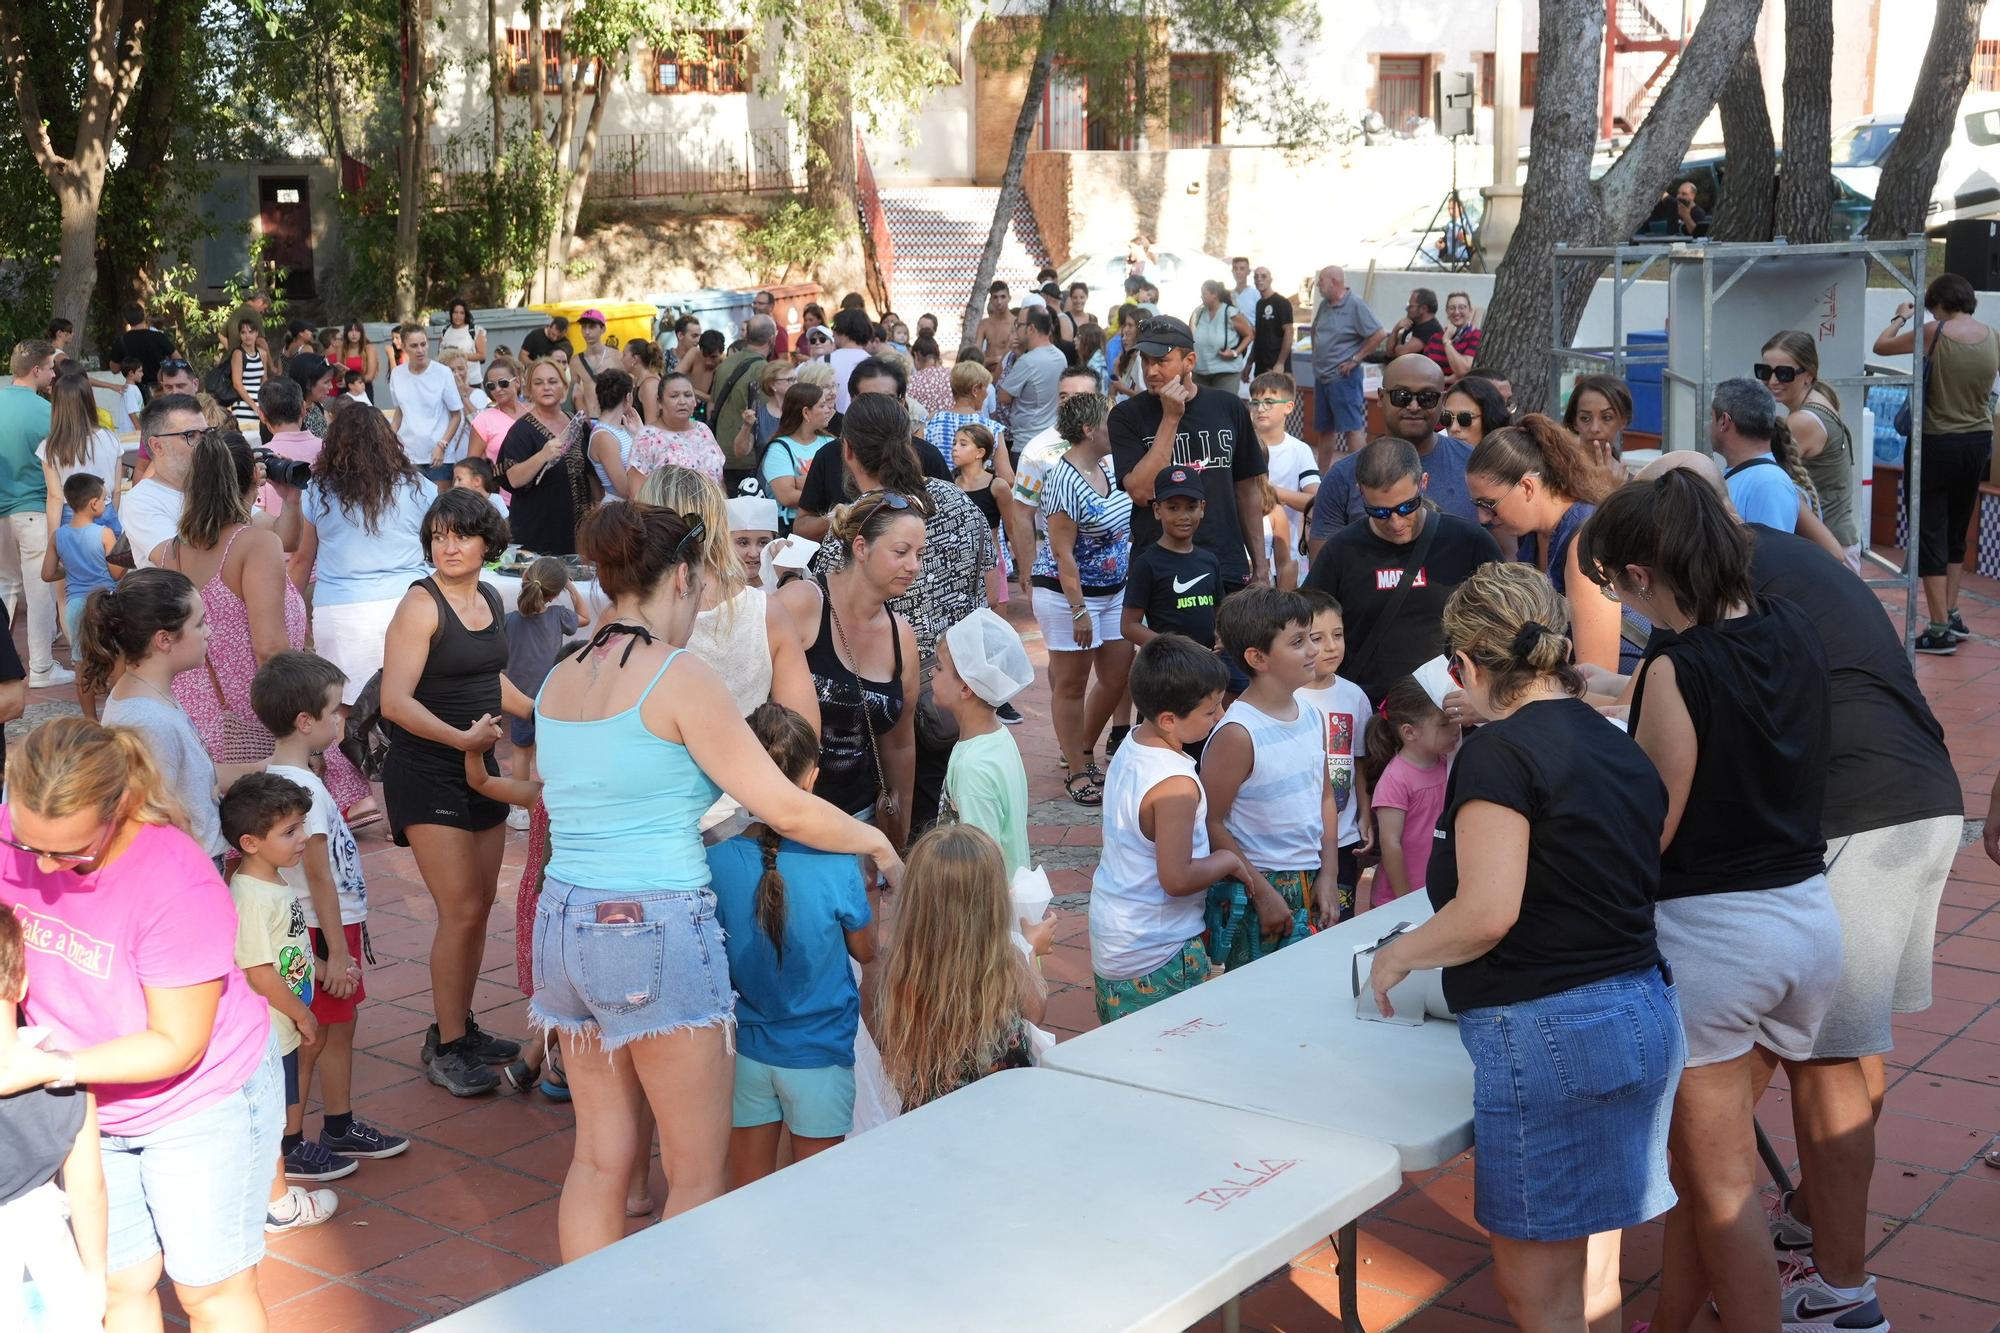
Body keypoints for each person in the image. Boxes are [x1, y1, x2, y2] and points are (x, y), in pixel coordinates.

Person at [1630, 452, 1960, 1331]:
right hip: (1893, 816)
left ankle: (1840, 1289)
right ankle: (1812, 1240)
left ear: (1647, 563)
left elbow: (1657, 811)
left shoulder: (1690, 639)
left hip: (1837, 835)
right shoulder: (1767, 585)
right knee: (1833, 1059)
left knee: (1744, 1142)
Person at [529, 502, 900, 1258]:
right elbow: (783, 804)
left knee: (599, 1156)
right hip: (653, 925)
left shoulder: (560, 675)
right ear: (683, 577)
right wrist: (876, 842)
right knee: (696, 1173)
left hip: (562, 922)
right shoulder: (679, 674)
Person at [1365, 562, 1680, 1333]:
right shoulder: (1612, 739)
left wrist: (1400, 953)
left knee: (1537, 1291)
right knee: (1595, 1267)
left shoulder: (1498, 754)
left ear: (1465, 664)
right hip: (1642, 1008)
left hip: (1552, 1031)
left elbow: (1486, 911)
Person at [1576, 470, 1842, 1333]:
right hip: (1807, 918)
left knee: (1724, 1191)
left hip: (1715, 941)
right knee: (1708, 1173)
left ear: (1643, 576)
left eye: (1613, 583)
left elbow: (1651, 827)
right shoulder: (1789, 624)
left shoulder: (1673, 667)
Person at [0, 716, 282, 1330]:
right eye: (28, 845)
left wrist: (48, 1067)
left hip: (198, 1101)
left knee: (211, 1291)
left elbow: (177, 1043)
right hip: (86, 1105)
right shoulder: (10, 837)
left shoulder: (175, 882)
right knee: (119, 1285)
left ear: (121, 806)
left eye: (70, 851)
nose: (43, 867)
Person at [379, 489, 527, 1097]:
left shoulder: (490, 596)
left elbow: (489, 677)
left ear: (487, 541)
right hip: (427, 770)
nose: (449, 546)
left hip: (477, 766)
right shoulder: (421, 604)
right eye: (439, 536)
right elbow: (395, 701)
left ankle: (461, 1028)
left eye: (461, 534)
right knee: (461, 908)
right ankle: (443, 1043)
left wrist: (543, 712)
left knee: (481, 903)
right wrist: (461, 739)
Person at [799, 396, 994, 830]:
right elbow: (989, 584)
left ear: (846, 450)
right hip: (959, 691)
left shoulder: (861, 525)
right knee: (946, 829)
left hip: (885, 703)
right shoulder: (957, 501)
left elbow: (834, 611)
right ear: (909, 441)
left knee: (895, 827)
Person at [706, 701, 877, 1187]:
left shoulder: (712, 861)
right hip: (819, 1050)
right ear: (812, 778)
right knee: (817, 1195)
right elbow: (865, 951)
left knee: (749, 1192)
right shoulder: (837, 860)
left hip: (745, 1049)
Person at [247, 653, 406, 1165]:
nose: (343, 719)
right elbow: (316, 874)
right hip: (322, 929)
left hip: (331, 925)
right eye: (336, 710)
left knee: (338, 1025)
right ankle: (290, 1141)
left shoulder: (293, 776)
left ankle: (337, 1123)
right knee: (310, 1035)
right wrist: (336, 952)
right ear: (305, 721)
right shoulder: (305, 787)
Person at [1090, 634, 1243, 1023]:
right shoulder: (1175, 785)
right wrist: (1226, 859)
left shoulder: (1135, 743)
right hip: (1158, 950)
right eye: (1210, 711)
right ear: (1170, 719)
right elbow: (1176, 878)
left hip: (1116, 934)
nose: (1221, 715)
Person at [217, 772, 345, 1229]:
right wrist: (303, 1014)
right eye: (290, 831)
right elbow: (258, 971)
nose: (303, 839)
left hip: (282, 1025)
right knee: (270, 1118)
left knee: (278, 1111)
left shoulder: (270, 881)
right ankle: (277, 1205)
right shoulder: (251, 895)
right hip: (269, 1029)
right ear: (250, 842)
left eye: (302, 826)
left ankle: (268, 1194)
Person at [1304, 437, 1504, 704]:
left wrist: (1486, 697)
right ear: (1360, 492)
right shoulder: (1340, 551)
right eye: (1379, 511)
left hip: (1452, 711)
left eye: (1407, 506)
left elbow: (1504, 626)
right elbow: (1304, 626)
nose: (1396, 522)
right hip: (1369, 714)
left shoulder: (1470, 542)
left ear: (1424, 483)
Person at [774, 491, 920, 843]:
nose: (914, 565)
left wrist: (897, 835)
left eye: (919, 554)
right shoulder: (801, 604)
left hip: (859, 822)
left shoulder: (902, 637)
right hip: (785, 821)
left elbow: (899, 745)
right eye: (901, 552)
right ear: (860, 548)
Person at [1200, 588, 1335, 967]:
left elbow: (1325, 797)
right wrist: (1261, 893)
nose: (1313, 650)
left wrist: (1329, 873)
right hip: (1257, 883)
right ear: (1257, 658)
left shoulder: (1311, 715)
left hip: (1309, 876)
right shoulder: (1238, 733)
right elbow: (1211, 820)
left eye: (1311, 637)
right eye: (1297, 641)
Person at [873, 824, 1049, 1107]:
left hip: (932, 1116)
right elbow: (1036, 1010)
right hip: (1003, 1111)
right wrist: (1030, 947)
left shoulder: (906, 966)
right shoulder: (1006, 961)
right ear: (991, 903)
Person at [1872, 272, 1998, 652]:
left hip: (1937, 443)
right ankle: (1954, 612)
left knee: (1929, 533)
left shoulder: (1934, 332)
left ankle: (1939, 627)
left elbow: (1881, 347)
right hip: (1978, 442)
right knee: (1957, 532)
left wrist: (1899, 317)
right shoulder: (1992, 335)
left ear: (1938, 304)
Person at [0, 905, 109, 1327]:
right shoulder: (64, 1074)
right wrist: (95, 1277)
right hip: (44, 1261)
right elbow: (89, 1189)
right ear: (22, 981)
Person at [1110, 317, 1269, 592]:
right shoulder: (1126, 416)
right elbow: (1143, 492)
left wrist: (1261, 566)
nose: (1150, 370)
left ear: (1189, 362)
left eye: (1162, 361)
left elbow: (1247, 491)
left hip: (1225, 563)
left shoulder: (1228, 407)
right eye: (1145, 360)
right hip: (1160, 568)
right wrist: (1171, 418)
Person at [1465, 415, 1633, 673]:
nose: (1482, 517)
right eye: (1476, 505)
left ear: (1528, 487)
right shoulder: (1531, 531)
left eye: (1488, 504)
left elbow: (1598, 673)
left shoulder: (1583, 545)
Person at [83, 569, 231, 860]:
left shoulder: (151, 695)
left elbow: (196, 778)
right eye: (199, 624)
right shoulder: (147, 722)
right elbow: (154, 822)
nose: (209, 632)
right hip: (192, 869)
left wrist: (273, 764)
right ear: (164, 639)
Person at [297, 406, 439, 704]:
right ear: (388, 440)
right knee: (415, 705)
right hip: (411, 604)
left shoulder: (317, 491)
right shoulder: (420, 487)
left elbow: (302, 559)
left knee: (343, 711)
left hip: (341, 612)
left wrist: (289, 614)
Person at [1034, 393, 1134, 805]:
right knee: (1072, 683)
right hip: (1068, 596)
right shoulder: (1063, 480)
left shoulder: (1107, 465)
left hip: (1114, 591)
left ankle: (1082, 748)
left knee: (1116, 676)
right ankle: (1076, 769)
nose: (1117, 429)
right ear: (1090, 429)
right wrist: (1079, 610)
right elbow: (1063, 553)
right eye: (1109, 422)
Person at [1310, 354, 1479, 549]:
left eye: (1427, 398)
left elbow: (1501, 554)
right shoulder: (1342, 477)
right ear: (1382, 397)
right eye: (1401, 397)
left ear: (1442, 401)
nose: (1414, 406)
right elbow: (1325, 569)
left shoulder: (1472, 462)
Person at [934, 608, 1033, 877]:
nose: (932, 673)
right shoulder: (997, 737)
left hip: (981, 912)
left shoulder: (973, 768)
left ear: (966, 687)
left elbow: (980, 864)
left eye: (940, 667)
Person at [1295, 589, 1371, 920]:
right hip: (1298, 841)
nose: (1331, 646)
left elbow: (1359, 761)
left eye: (1337, 635)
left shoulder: (1353, 696)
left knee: (1337, 920)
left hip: (1343, 836)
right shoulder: (1289, 697)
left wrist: (1365, 813)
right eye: (1317, 637)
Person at [1758, 331, 1859, 572]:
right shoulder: (1820, 399)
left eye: (1784, 373)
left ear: (1808, 375)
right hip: (1835, 542)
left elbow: (1765, 477)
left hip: (1829, 549)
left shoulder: (1802, 421)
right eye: (1764, 372)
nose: (1772, 381)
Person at [501, 557, 586, 830]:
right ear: (557, 591)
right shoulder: (559, 616)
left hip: (519, 698)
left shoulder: (508, 621)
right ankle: (558, 805)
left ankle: (520, 810)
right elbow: (583, 618)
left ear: (526, 580)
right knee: (555, 752)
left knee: (521, 754)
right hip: (552, 697)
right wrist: (572, 590)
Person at [1360, 677, 1456, 906]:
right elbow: (1391, 842)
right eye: (1444, 724)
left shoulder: (1447, 763)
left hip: (1435, 891)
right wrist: (1404, 900)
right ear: (1409, 732)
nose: (1455, 729)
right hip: (1398, 899)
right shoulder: (1396, 779)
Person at [0, 340, 63, 686]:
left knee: (5, 586)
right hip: (34, 510)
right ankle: (41, 667)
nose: (53, 374)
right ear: (36, 370)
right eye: (50, 367)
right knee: (39, 590)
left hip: (1, 513)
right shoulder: (47, 411)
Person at [1119, 463, 1222, 658]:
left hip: (1208, 666)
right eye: (1173, 508)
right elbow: (1129, 626)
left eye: (1191, 507)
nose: (1183, 516)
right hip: (1167, 669)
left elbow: (1219, 613)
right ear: (1157, 510)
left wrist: (1222, 635)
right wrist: (1175, 647)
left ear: (1202, 508)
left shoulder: (1209, 561)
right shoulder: (1147, 564)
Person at [498, 358, 595, 554]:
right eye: (538, 383)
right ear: (529, 391)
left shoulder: (577, 423)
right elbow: (513, 479)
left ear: (564, 387)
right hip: (539, 533)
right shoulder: (521, 431)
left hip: (579, 530)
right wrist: (542, 456)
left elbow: (592, 473)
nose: (546, 388)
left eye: (552, 382)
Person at [54, 475, 119, 718]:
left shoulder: (58, 536)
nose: (106, 503)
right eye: (104, 499)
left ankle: (90, 720)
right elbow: (115, 571)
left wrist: (70, 568)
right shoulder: (105, 533)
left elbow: (48, 572)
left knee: (81, 663)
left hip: (76, 605)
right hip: (105, 602)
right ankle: (116, 713)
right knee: (116, 656)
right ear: (94, 503)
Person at [1309, 266, 1387, 461]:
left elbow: (1379, 334)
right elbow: (1314, 329)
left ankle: (1361, 479)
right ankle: (1322, 478)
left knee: (1352, 429)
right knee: (1325, 430)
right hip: (1323, 377)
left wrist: (1355, 359)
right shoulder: (1324, 305)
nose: (1318, 285)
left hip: (1343, 378)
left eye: (1321, 281)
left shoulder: (1355, 305)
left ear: (1334, 282)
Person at [123, 392, 202, 572]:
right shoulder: (141, 500)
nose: (203, 443)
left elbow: (275, 533)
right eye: (190, 435)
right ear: (157, 446)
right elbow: (179, 563)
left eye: (207, 433)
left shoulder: (212, 485)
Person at [39, 368, 124, 532]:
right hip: (105, 510)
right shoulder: (110, 438)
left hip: (71, 516)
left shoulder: (50, 446)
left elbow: (55, 497)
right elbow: (117, 490)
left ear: (57, 405)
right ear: (89, 400)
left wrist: (53, 539)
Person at [1248, 371, 1319, 554]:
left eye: (1269, 402)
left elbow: (1315, 501)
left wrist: (1272, 491)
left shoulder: (1300, 450)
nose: (1260, 408)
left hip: (1286, 550)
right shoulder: (1240, 446)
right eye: (1255, 403)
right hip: (1244, 549)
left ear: (1288, 407)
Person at [388, 324, 464, 477]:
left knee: (440, 500)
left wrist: (442, 445)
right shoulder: (397, 374)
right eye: (414, 345)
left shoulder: (442, 372)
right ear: (403, 346)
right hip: (407, 454)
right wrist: (388, 441)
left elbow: (456, 415)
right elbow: (399, 413)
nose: (420, 350)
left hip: (439, 455)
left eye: (423, 344)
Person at [758, 380, 836, 525]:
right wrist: (824, 487)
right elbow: (787, 497)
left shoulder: (830, 442)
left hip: (828, 527)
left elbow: (841, 485)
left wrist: (808, 484)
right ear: (806, 412)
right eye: (822, 405)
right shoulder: (779, 448)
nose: (828, 409)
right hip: (791, 528)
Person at [950, 423, 1011, 609]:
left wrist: (1026, 572)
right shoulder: (950, 485)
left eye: (963, 444)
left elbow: (1014, 528)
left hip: (990, 563)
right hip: (958, 563)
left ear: (980, 452)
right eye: (955, 443)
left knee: (996, 626)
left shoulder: (997, 486)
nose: (954, 448)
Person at [630, 371, 725, 485]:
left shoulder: (703, 430)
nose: (682, 401)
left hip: (714, 501)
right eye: (674, 396)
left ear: (695, 401)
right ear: (659, 402)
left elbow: (719, 479)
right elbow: (636, 492)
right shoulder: (647, 436)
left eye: (688, 395)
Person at [711, 315, 774, 484]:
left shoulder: (725, 364)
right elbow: (769, 415)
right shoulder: (764, 370)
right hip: (750, 456)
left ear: (747, 336)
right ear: (771, 339)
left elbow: (712, 405)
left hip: (723, 453)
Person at [998, 306, 1068, 440]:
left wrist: (1015, 359)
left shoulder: (1027, 362)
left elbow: (1003, 397)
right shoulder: (1060, 356)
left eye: (1018, 324)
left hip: (1027, 441)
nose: (1016, 329)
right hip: (1052, 435)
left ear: (1031, 329)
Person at [584, 368, 644, 501]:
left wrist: (640, 434)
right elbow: (626, 490)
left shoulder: (625, 429)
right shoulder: (603, 437)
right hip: (619, 510)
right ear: (628, 397)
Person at [1190, 279, 1253, 393]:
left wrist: (1235, 352)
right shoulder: (1200, 313)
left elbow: (1249, 334)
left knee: (1223, 406)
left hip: (1225, 371)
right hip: (1201, 372)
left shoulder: (1230, 312)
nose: (1201, 297)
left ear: (1215, 295)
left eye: (1204, 294)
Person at [1563, 373, 1633, 463]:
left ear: (1623, 421)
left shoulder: (1628, 475)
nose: (1594, 428)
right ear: (1574, 422)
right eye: (1585, 418)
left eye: (1607, 418)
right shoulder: (1553, 472)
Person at [470, 355, 526, 461]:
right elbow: (473, 466)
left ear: (517, 382)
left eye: (503, 383)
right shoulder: (482, 420)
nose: (497, 389)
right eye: (491, 385)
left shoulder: (533, 412)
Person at [225, 312, 270, 439]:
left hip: (260, 404)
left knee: (261, 439)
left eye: (250, 332)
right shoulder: (238, 354)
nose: (247, 336)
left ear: (256, 333)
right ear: (240, 335)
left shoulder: (262, 354)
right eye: (243, 332)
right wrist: (254, 407)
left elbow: (264, 380)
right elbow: (237, 384)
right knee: (247, 439)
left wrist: (264, 404)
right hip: (243, 405)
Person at [1247, 266, 1296, 381]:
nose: (1259, 279)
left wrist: (1280, 363)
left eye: (1263, 276)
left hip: (1276, 367)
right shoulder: (1259, 304)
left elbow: (1289, 332)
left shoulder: (1282, 302)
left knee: (1276, 398)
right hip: (1260, 366)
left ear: (1270, 280)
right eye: (1256, 277)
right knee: (1259, 398)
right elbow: (1258, 336)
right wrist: (1249, 363)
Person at [111, 304, 175, 391]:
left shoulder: (121, 341)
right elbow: (178, 359)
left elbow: (114, 369)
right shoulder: (159, 337)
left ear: (125, 320)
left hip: (135, 389)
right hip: (160, 388)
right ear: (144, 317)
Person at [571, 310, 620, 419]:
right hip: (589, 419)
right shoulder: (576, 361)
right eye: (584, 327)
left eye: (592, 327)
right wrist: (584, 420)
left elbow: (627, 391)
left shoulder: (617, 357)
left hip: (613, 419)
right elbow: (576, 394)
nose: (587, 332)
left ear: (603, 329)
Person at [1440, 375, 1509, 448]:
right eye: (1447, 418)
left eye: (1464, 418)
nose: (1453, 428)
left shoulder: (1512, 456)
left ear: (1489, 419)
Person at [1388, 288, 1447, 366]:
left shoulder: (1430, 328)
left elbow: (1401, 353)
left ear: (1423, 308)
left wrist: (1397, 344)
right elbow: (1389, 353)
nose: (1407, 309)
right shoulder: (1413, 322)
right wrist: (1396, 329)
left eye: (1410, 306)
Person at [1438, 292, 1483, 381]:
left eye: (1462, 307)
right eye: (1452, 308)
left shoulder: (1476, 336)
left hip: (1459, 392)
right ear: (1446, 311)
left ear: (1470, 311)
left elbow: (1463, 371)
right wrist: (1447, 379)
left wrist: (1447, 342)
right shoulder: (1436, 337)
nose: (1456, 312)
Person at [438, 298, 487, 380]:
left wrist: (459, 355)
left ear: (466, 315)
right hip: (450, 379)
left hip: (471, 379)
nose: (458, 316)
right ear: (451, 314)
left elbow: (482, 356)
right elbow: (440, 355)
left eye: (461, 313)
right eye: (455, 312)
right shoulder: (444, 330)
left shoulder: (475, 330)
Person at [976, 283, 1014, 375]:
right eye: (995, 297)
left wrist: (992, 360)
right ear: (991, 300)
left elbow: (1016, 356)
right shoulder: (984, 324)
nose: (999, 301)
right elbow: (976, 355)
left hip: (1009, 375)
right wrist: (995, 359)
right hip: (987, 374)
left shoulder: (1016, 323)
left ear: (1009, 298)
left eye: (1003, 297)